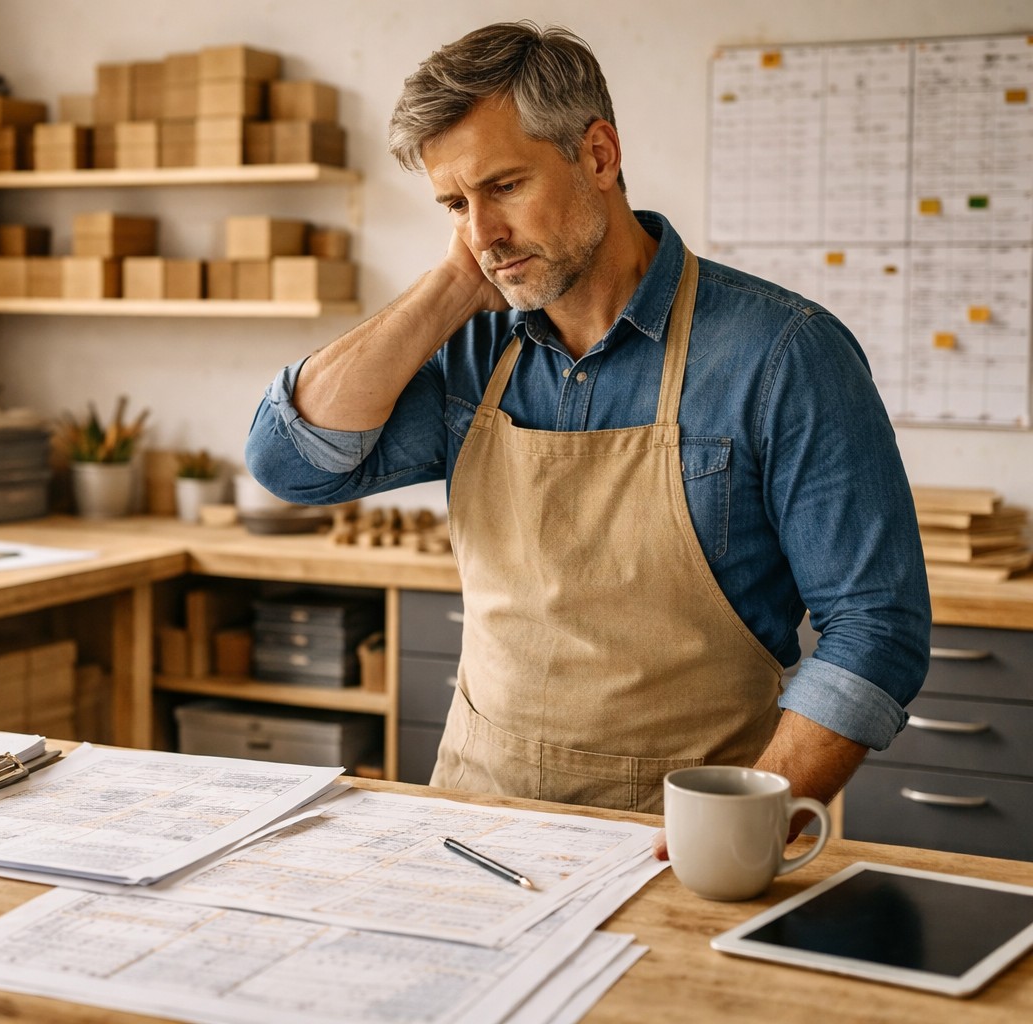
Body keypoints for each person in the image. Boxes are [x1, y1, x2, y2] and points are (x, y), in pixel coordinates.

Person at [243, 21, 930, 830]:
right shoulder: (473, 352)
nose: (482, 233)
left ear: (599, 156)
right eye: (455, 204)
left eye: (504, 186)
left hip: (682, 834)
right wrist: (453, 286)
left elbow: (875, 625)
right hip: (475, 815)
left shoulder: (781, 353)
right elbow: (291, 463)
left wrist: (747, 825)